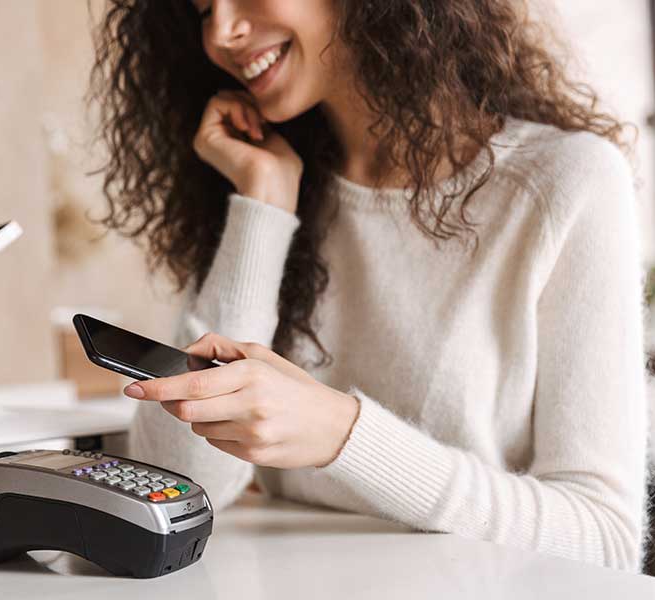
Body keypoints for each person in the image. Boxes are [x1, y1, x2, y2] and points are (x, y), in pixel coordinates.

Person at [87, 0, 650, 571]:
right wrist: (262, 204)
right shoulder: (269, 175)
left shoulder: (567, 183)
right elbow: (178, 482)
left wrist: (342, 434)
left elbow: (605, 536)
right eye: (202, 10)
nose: (222, 32)